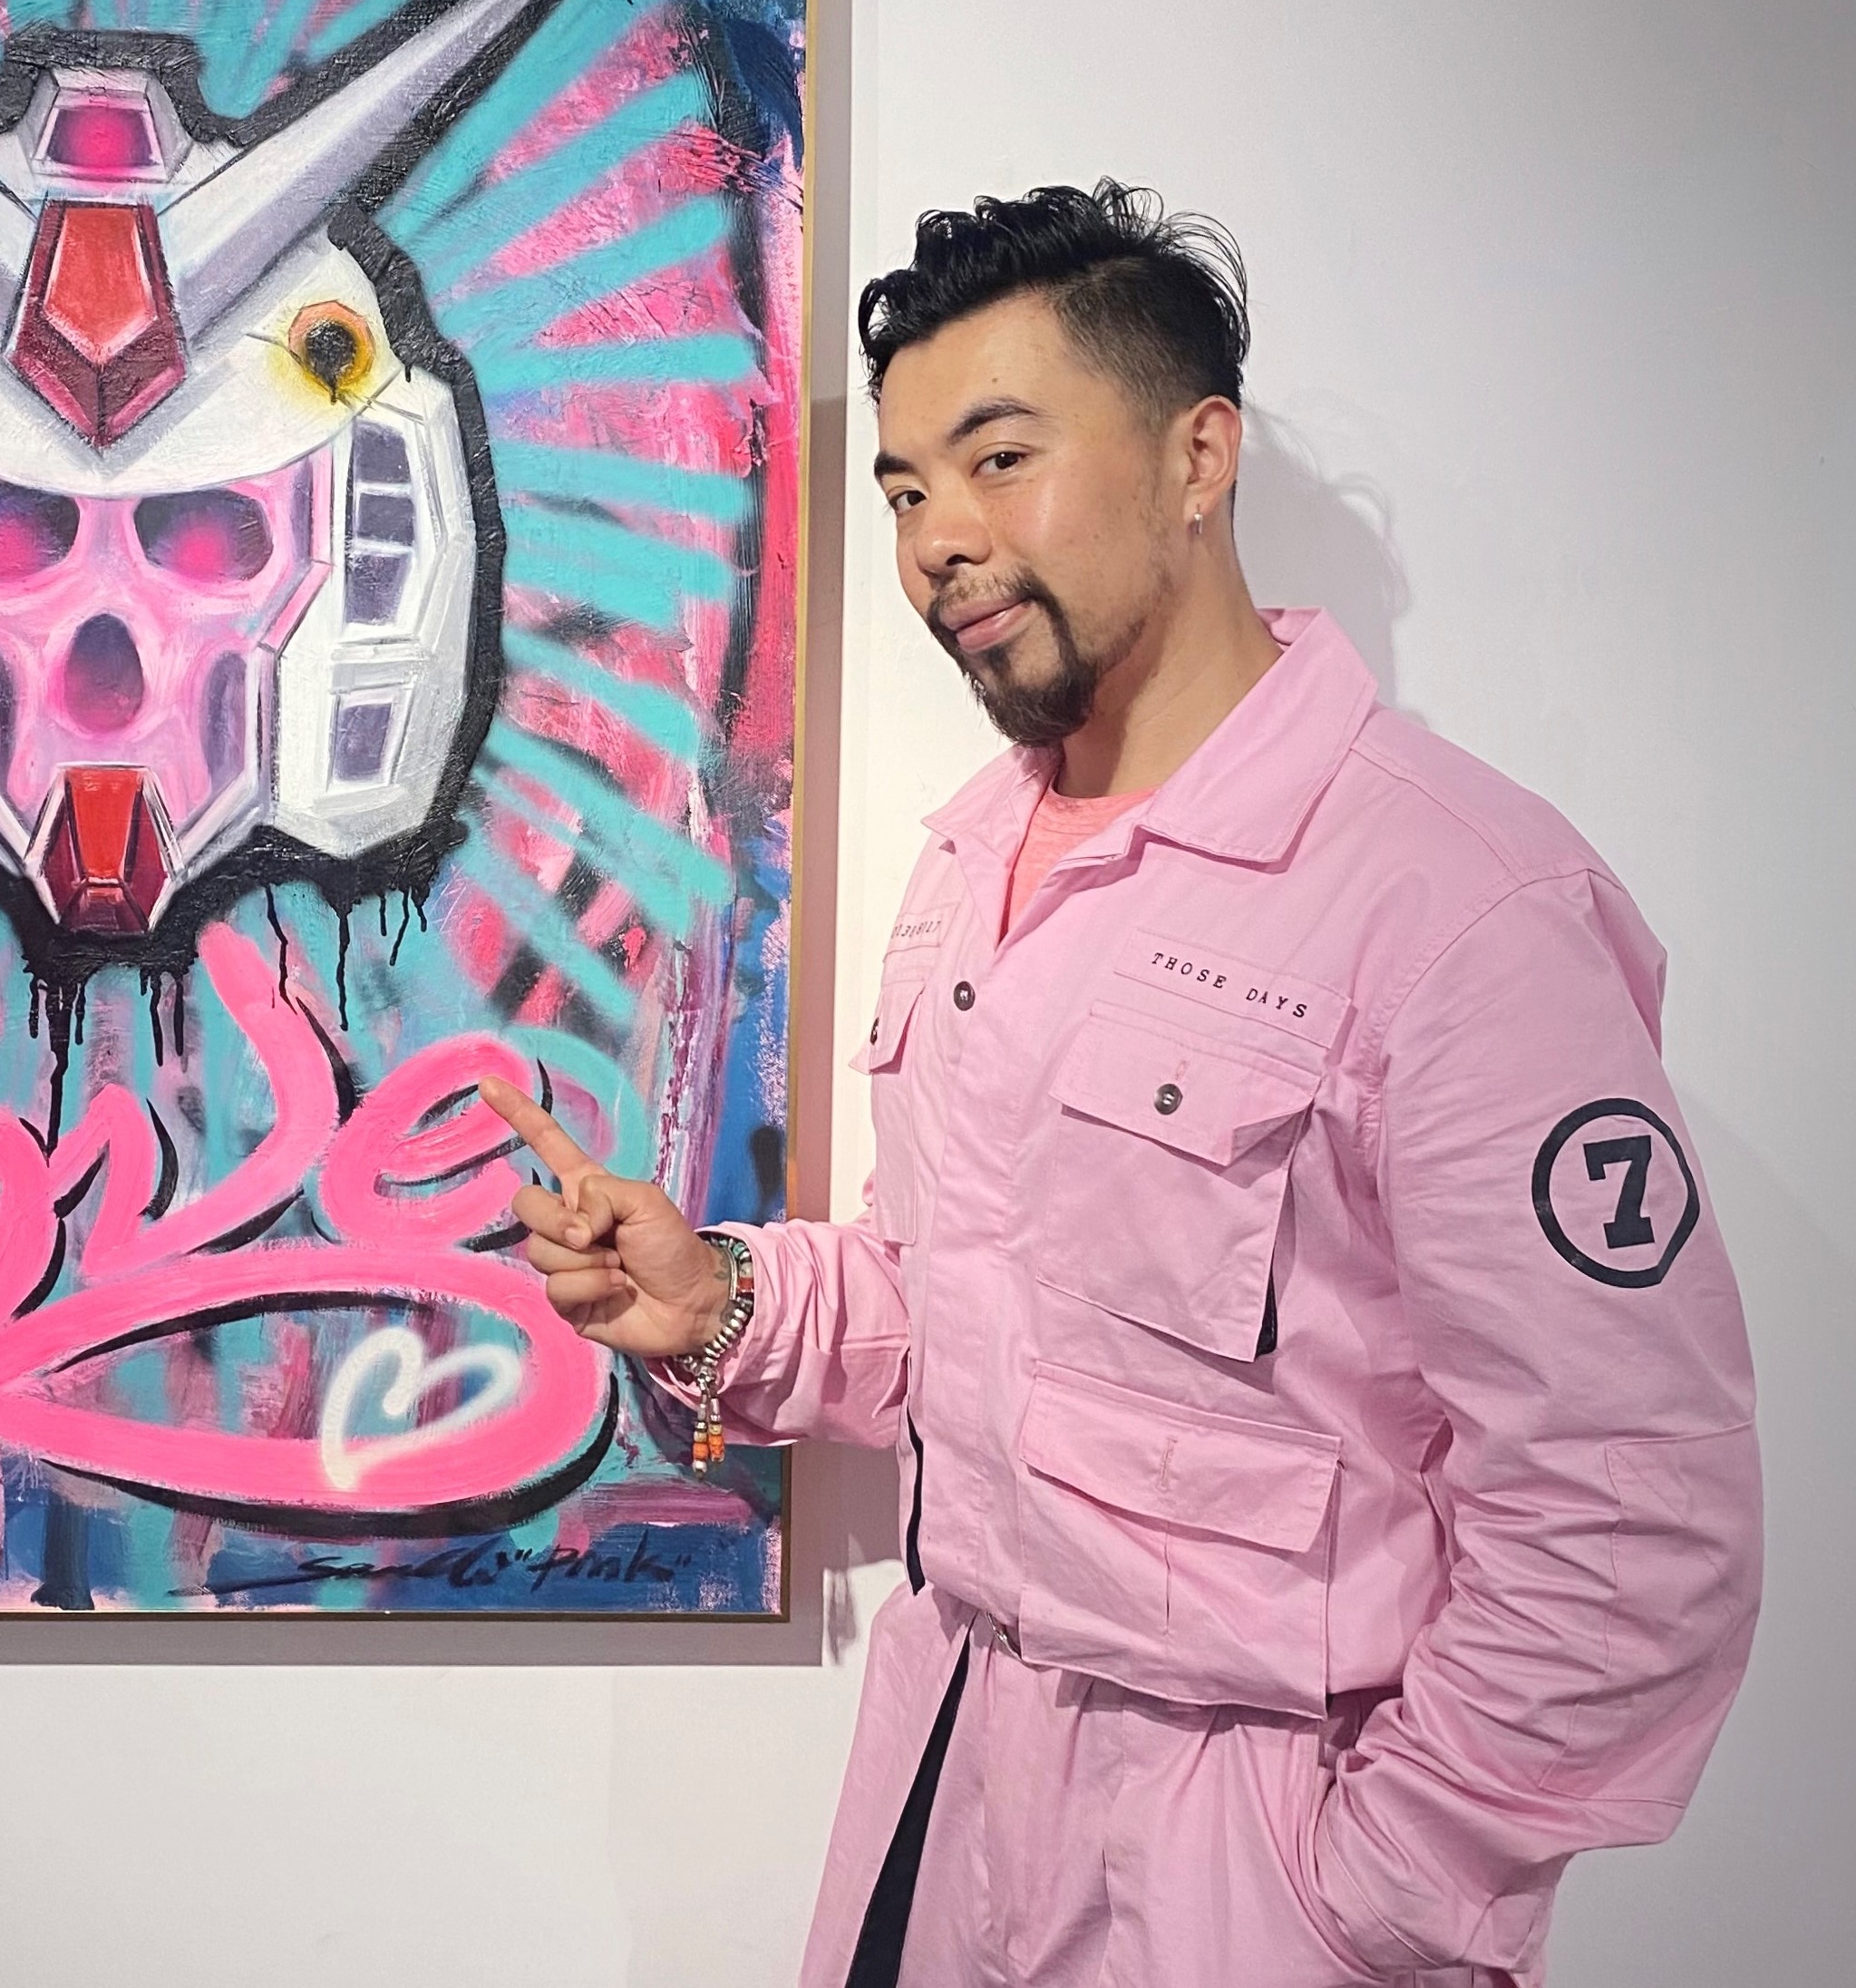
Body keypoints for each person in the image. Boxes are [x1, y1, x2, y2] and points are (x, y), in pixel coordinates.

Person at [481, 182, 1761, 1988]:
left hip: (1254, 1867)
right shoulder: (972, 862)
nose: (937, 541)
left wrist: (1384, 1893)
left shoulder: (1461, 902)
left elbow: (1629, 1513)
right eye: (904, 491)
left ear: (1196, 457)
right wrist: (724, 1300)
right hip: (948, 1787)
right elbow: (966, 1308)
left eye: (999, 459)